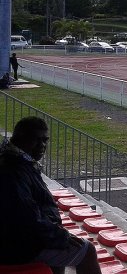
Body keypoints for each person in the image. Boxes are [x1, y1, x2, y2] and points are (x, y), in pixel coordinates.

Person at [0, 117, 101, 274]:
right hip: (17, 246)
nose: (42, 146)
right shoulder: (14, 170)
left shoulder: (16, 160)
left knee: (57, 243)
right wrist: (61, 236)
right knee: (87, 251)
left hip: (17, 239)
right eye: (36, 140)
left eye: (45, 140)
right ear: (20, 138)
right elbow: (28, 219)